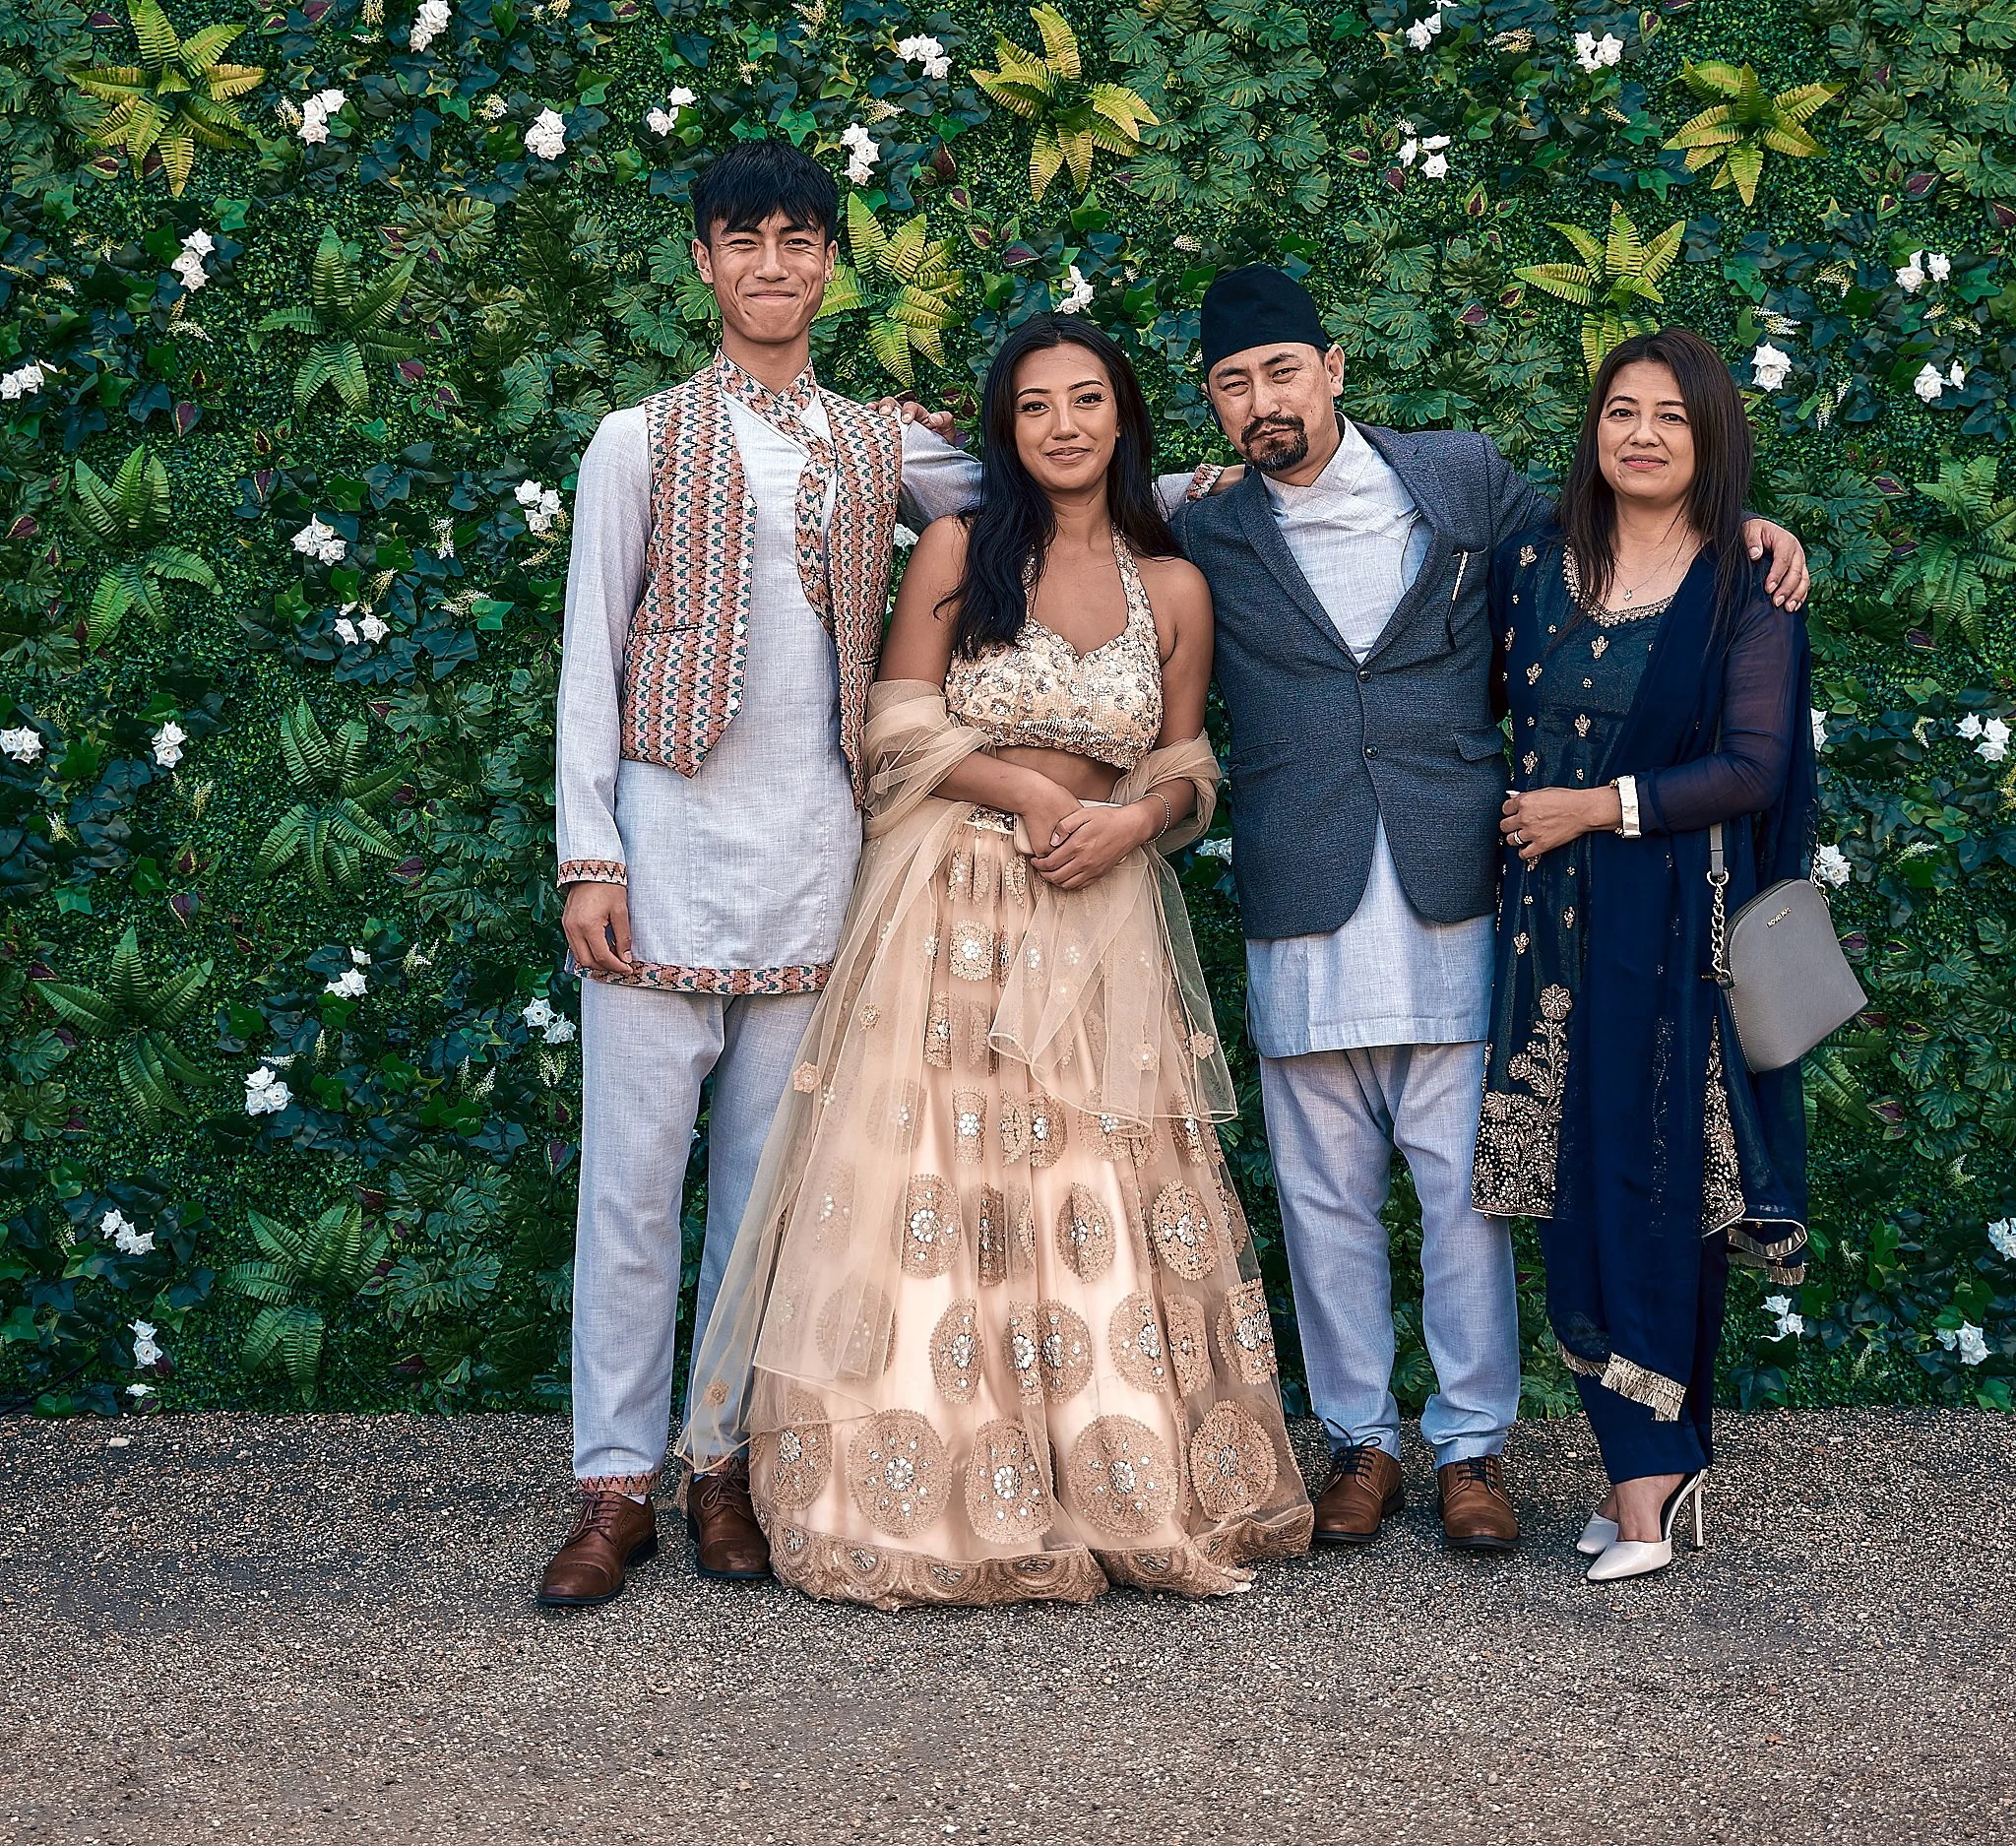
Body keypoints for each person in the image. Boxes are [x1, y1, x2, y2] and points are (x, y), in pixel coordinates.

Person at [909, 265, 1809, 1555]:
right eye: (1231, 385)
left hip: (1457, 882)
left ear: (1333, 366)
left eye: (1282, 371)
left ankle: (1472, 1444)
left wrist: (1759, 530)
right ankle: (1358, 1439)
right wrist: (899, 434)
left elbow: (1620, 519)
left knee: (1462, 1191)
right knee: (1322, 1191)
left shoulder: (1459, 479)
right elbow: (1015, 485)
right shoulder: (1195, 525)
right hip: (1297, 881)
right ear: (1210, 408)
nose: (1262, 401)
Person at [680, 315, 1314, 1608]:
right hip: (953, 903)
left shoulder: (1173, 582)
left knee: (1090, 1176)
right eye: (1036, 406)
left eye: (1089, 400)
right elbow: (895, 722)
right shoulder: (962, 550)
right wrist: (1025, 793)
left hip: (1101, 913)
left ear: (1126, 419)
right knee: (942, 1174)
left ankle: (1107, 1479)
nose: (1066, 425)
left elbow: (1187, 767)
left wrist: (1134, 820)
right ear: (1007, 430)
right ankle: (932, 1492)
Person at [536, 140, 972, 1608]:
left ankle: (720, 1465)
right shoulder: (636, 439)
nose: (773, 264)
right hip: (660, 864)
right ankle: (612, 1482)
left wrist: (1212, 482)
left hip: (817, 865)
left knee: (768, 1195)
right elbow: (587, 664)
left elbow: (1062, 479)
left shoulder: (875, 443)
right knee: (630, 1191)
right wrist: (588, 854)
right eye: (745, 241)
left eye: (800, 240)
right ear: (706, 265)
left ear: (832, 266)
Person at [1474, 327, 1814, 1582]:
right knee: (1574, 1187)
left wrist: (1594, 806)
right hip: (1542, 932)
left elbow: (1749, 768)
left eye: (1672, 416)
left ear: (1709, 435)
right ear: (1593, 428)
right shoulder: (1531, 564)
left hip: (1667, 927)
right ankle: (1646, 1466)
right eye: (1621, 410)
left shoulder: (1742, 586)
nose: (1642, 434)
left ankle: (1651, 1480)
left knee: (1654, 1177)